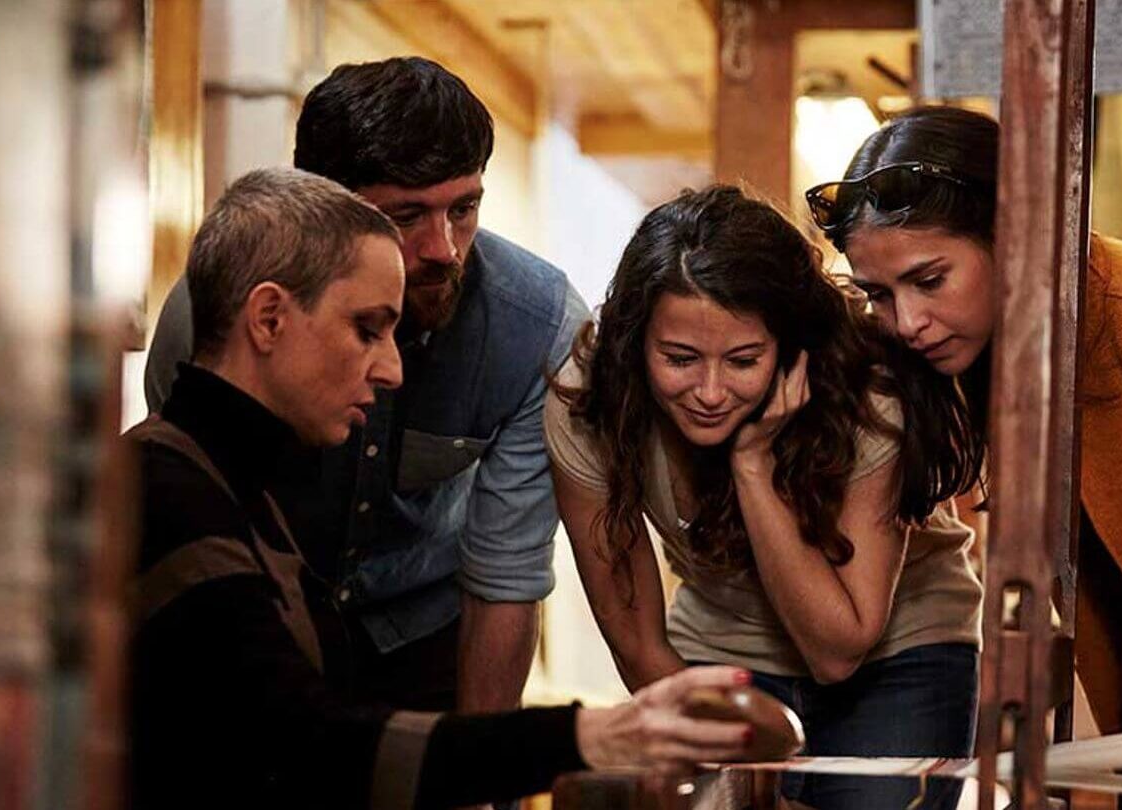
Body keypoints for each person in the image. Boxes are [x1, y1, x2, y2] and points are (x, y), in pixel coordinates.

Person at [129, 167, 757, 810]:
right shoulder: (168, 494)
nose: (393, 368)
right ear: (268, 319)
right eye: (367, 329)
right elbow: (303, 747)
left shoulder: (231, 486)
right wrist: (597, 734)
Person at [810, 106, 1122, 771]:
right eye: (879, 294)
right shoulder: (995, 350)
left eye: (930, 281)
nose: (907, 321)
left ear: (1011, 234)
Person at [144, 57, 588, 715]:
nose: (444, 248)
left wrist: (476, 775)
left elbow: (505, 577)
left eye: (464, 208)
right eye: (406, 216)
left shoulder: (539, 328)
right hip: (262, 612)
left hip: (429, 643)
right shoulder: (214, 312)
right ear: (324, 204)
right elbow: (198, 505)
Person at [544, 185, 985, 810]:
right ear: (635, 343)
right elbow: (639, 642)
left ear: (788, 346)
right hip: (719, 647)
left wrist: (752, 465)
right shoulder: (587, 399)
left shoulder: (867, 390)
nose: (711, 391)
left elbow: (840, 647)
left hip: (897, 652)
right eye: (679, 358)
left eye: (744, 360)